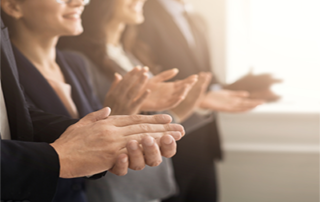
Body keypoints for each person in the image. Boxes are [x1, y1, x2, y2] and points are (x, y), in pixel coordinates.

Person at [0, 3, 184, 202]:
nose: (80, 1)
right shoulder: (12, 68)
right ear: (12, 7)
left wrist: (113, 125)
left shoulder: (76, 63)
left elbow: (22, 121)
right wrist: (59, 156)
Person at [58, 0, 213, 201]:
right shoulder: (78, 60)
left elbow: (143, 121)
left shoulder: (130, 53)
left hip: (147, 185)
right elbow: (90, 130)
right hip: (114, 188)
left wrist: (189, 107)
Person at [137, 0, 266, 201]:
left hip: (204, 142)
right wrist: (203, 99)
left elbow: (206, 77)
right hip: (172, 146)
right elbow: (153, 84)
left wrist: (235, 88)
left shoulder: (196, 19)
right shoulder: (142, 16)